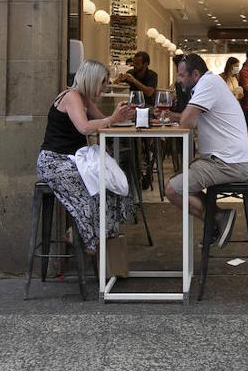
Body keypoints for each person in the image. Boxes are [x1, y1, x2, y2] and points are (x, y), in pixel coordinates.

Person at [37, 60, 137, 251]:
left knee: (108, 183)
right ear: (91, 80)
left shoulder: (83, 99)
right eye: (103, 82)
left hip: (72, 159)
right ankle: (85, 238)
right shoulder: (72, 96)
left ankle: (97, 238)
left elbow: (100, 122)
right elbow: (84, 128)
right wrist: (112, 119)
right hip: (54, 162)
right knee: (95, 188)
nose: (105, 86)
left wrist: (120, 117)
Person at [163, 53, 248, 248]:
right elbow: (190, 119)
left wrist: (178, 117)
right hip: (224, 159)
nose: (178, 80)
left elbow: (188, 121)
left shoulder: (208, 83)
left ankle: (218, 217)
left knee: (172, 189)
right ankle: (218, 216)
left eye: (181, 75)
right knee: (179, 179)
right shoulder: (209, 83)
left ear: (195, 74)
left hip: (227, 163)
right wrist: (172, 116)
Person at [116, 51, 160, 188]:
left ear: (146, 64)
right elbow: (115, 84)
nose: (134, 66)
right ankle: (132, 162)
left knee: (144, 135)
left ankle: (146, 158)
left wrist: (134, 81)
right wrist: (120, 78)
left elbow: (149, 92)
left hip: (148, 108)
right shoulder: (131, 72)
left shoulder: (152, 75)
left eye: (137, 64)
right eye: (134, 63)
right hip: (133, 109)